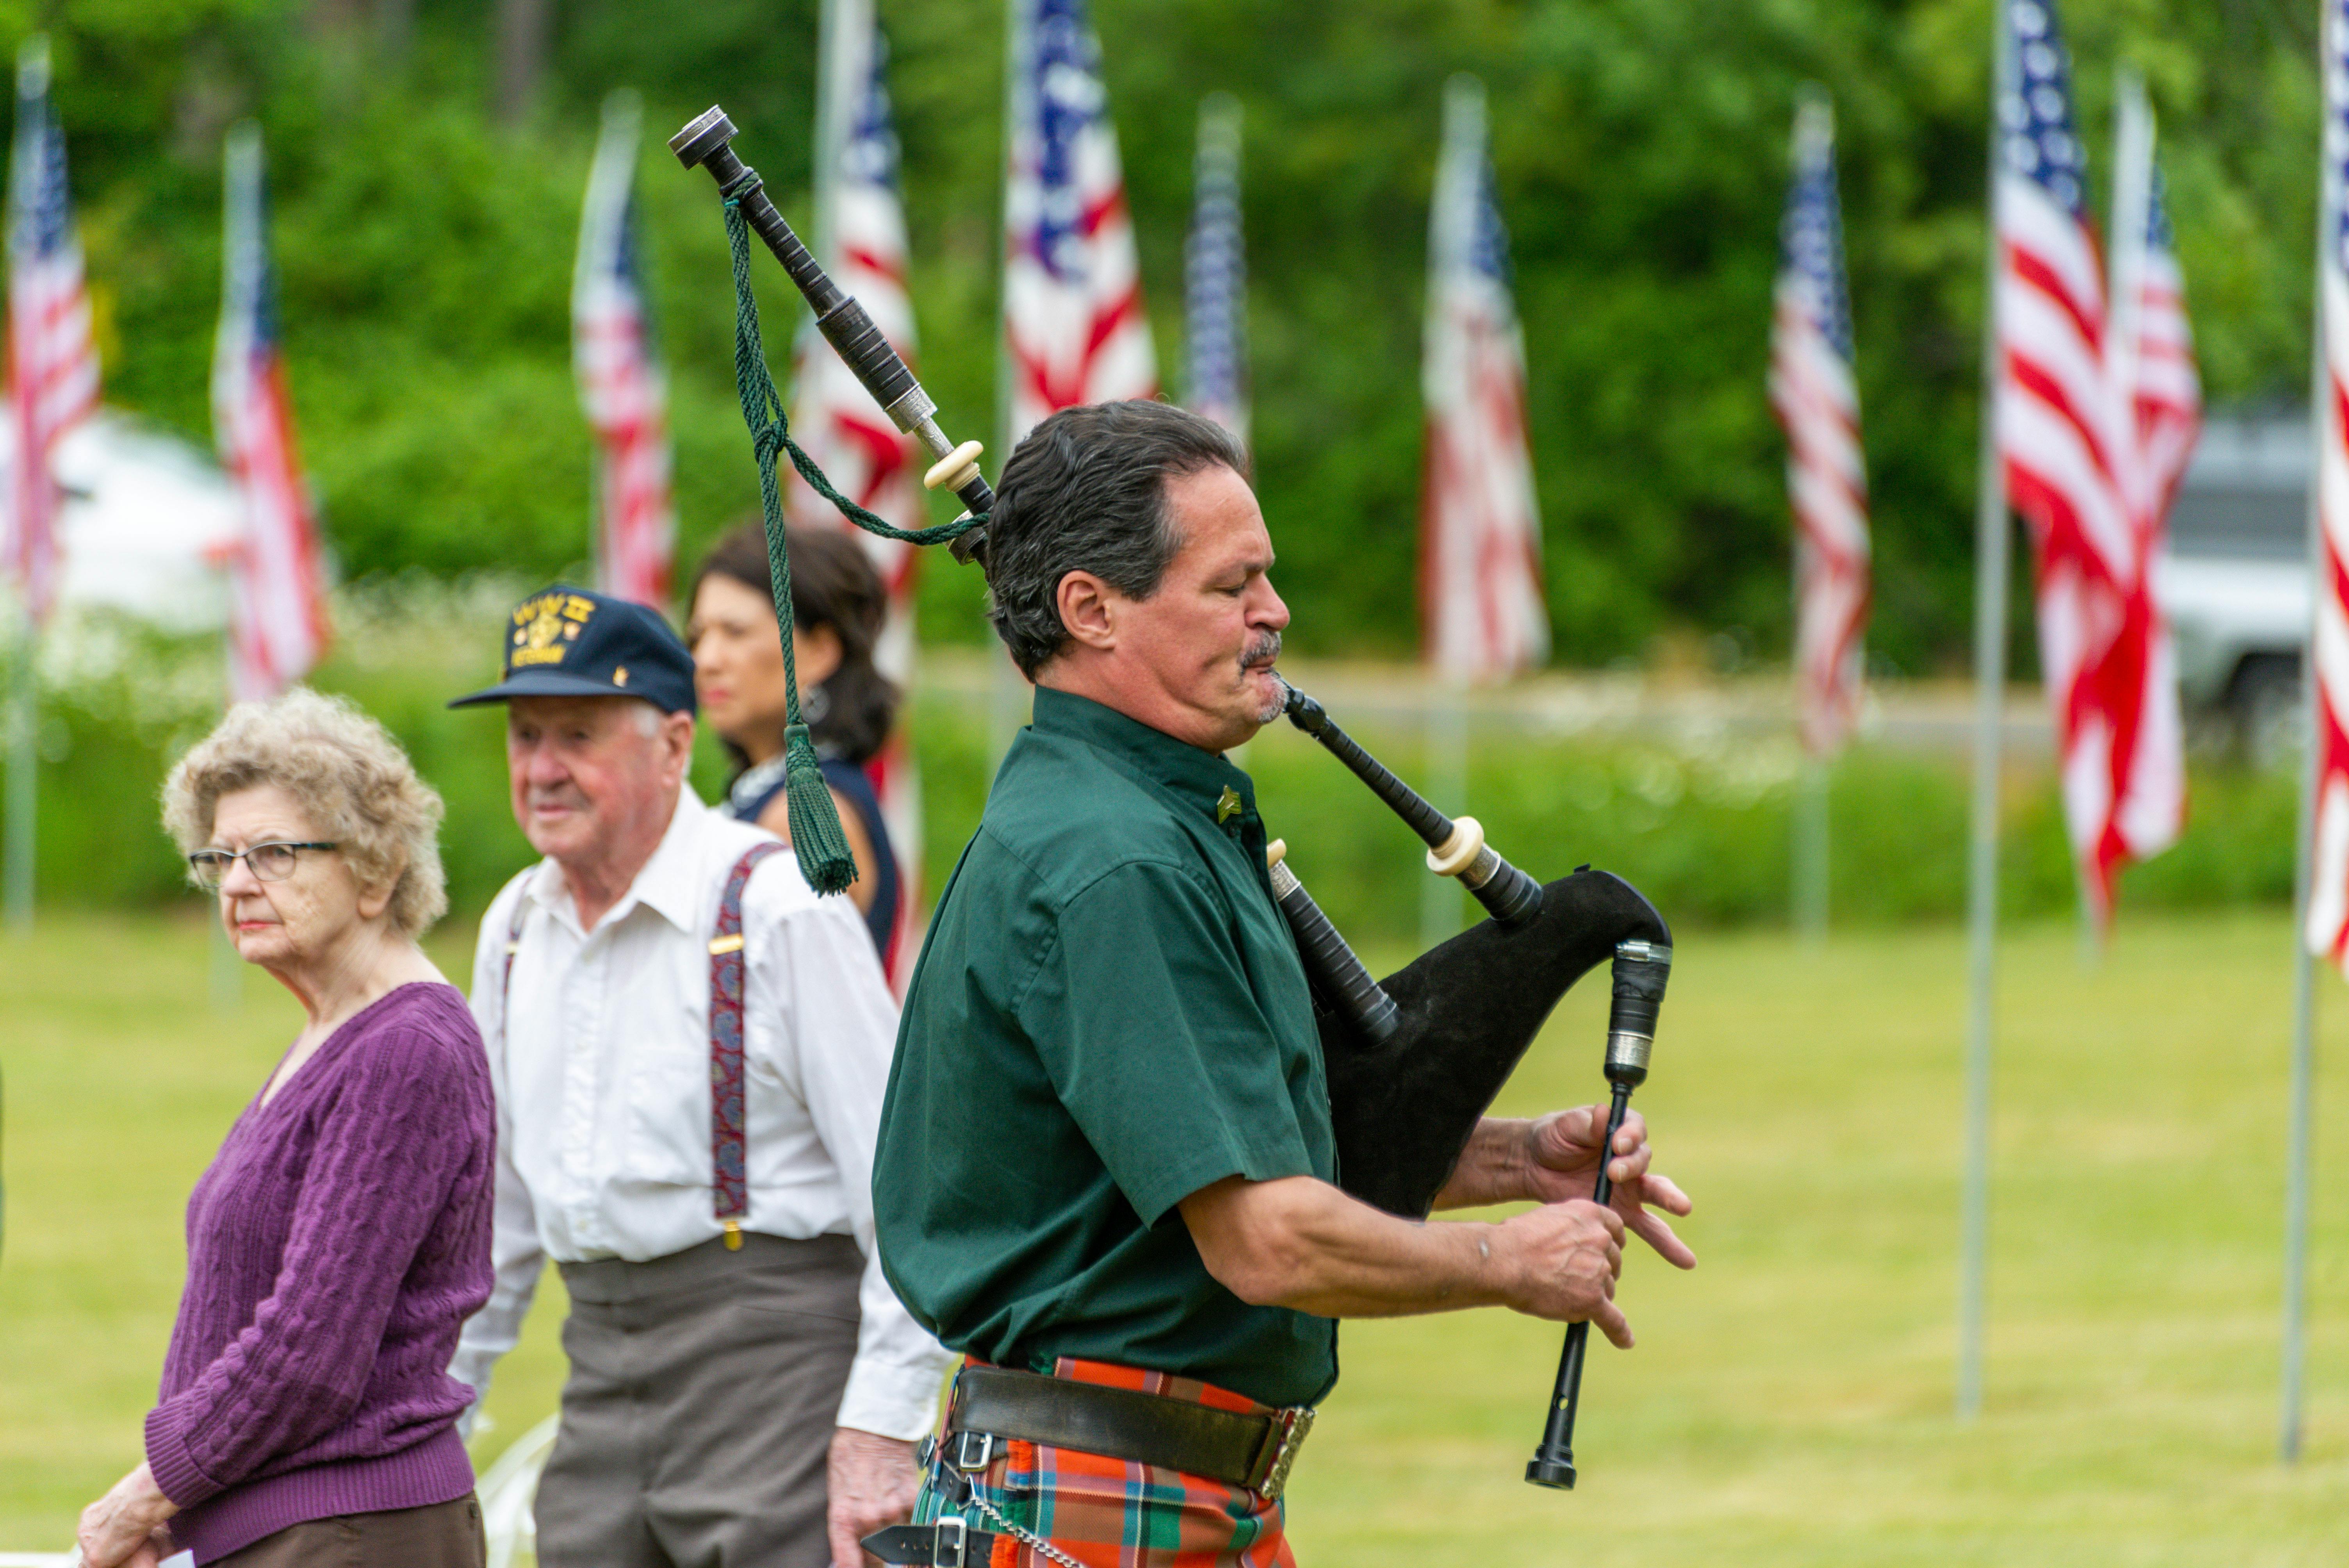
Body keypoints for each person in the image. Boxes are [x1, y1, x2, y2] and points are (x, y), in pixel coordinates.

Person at [870, 401, 1697, 1566]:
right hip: (1100, 1494)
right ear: (1091, 609)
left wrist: (1510, 1161)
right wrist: (1508, 1262)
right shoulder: (1115, 863)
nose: (1275, 612)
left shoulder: (1151, 816)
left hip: (1159, 1489)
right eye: (1232, 585)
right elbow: (1261, 1238)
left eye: (1265, 576)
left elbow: (1207, 1159)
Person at [444, 586, 955, 1568]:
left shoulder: (774, 903)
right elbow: (495, 1218)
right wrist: (438, 1415)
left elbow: (908, 1188)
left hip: (777, 1373)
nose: (543, 768)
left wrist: (882, 1421)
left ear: (674, 744)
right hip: (598, 1376)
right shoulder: (514, 924)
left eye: (578, 734)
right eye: (526, 735)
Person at [77, 688, 493, 1568]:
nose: (235, 883)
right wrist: (177, 1506)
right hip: (300, 1529)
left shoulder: (404, 1050)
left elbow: (308, 1354)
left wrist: (139, 1498)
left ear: (378, 871)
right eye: (220, 857)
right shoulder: (337, 1032)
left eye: (273, 853)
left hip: (354, 1534)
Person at [687, 522, 902, 962]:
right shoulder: (771, 792)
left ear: (820, 650)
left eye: (735, 632)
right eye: (698, 636)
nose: (705, 660)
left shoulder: (799, 816)